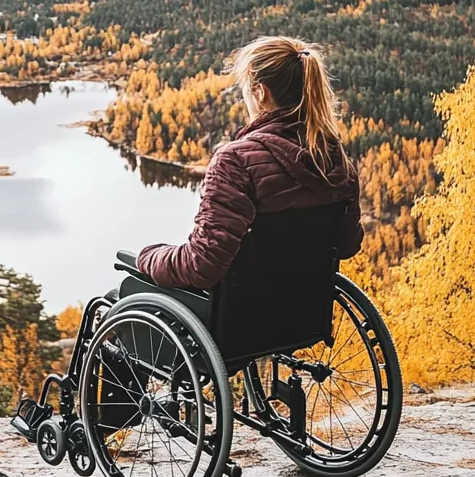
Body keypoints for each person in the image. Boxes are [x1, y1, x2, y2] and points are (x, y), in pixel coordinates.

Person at [137, 36, 363, 290]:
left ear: (260, 93)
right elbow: (347, 246)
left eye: (246, 90)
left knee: (125, 290)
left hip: (238, 320)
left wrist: (149, 256)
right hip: (304, 317)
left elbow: (201, 266)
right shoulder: (335, 158)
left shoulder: (235, 162)